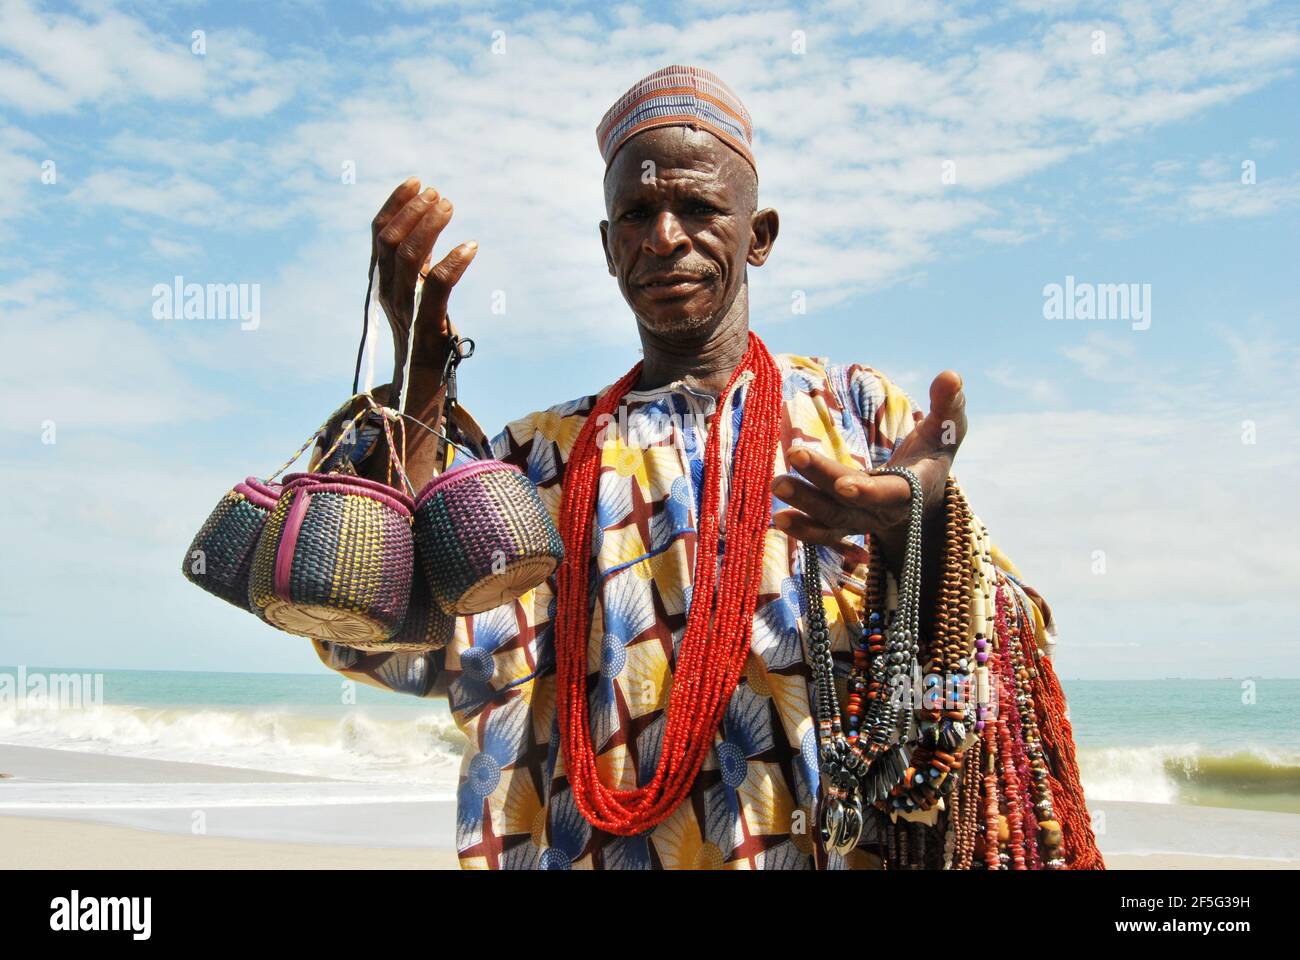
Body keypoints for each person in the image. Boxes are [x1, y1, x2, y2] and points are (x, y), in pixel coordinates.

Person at [310, 65, 1102, 870]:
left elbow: (1005, 661)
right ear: (607, 244)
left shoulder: (858, 416)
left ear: (759, 235)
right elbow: (386, 642)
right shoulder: (533, 460)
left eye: (697, 208)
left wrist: (913, 533)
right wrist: (418, 385)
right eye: (636, 214)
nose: (663, 237)